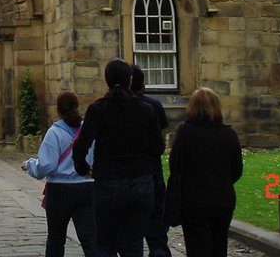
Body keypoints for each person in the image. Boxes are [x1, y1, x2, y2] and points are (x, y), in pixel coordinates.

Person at [73, 58, 164, 257]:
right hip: (140, 183)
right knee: (133, 244)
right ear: (130, 80)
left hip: (108, 183)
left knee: (105, 244)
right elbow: (158, 147)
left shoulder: (98, 109)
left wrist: (83, 169)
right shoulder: (146, 109)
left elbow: (80, 147)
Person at [166, 87, 243, 257]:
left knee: (197, 249)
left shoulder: (185, 132)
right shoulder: (229, 134)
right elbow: (237, 169)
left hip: (193, 201)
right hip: (222, 200)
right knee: (219, 247)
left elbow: (175, 166)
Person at [22, 90, 98, 257]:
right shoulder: (88, 130)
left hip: (60, 190)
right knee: (91, 240)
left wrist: (29, 165)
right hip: (87, 188)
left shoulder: (54, 132)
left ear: (58, 110)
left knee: (56, 240)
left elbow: (46, 165)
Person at [130, 65, 171, 257]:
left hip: (126, 170)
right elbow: (161, 141)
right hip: (151, 166)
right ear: (142, 84)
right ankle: (158, 249)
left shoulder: (113, 106)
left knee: (129, 219)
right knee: (155, 213)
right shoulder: (155, 106)